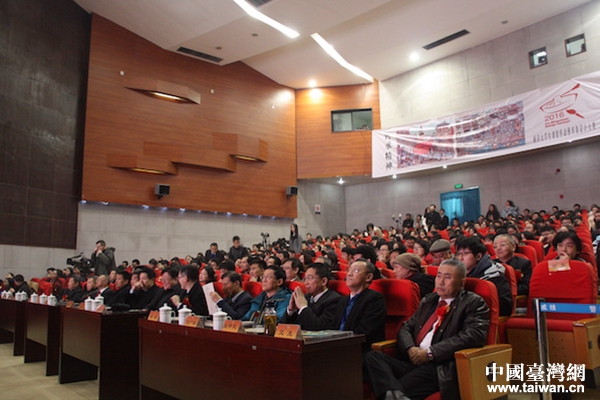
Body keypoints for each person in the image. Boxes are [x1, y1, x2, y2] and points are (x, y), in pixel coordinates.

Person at [365, 259, 490, 400]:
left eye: (447, 277)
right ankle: (395, 393)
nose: (441, 282)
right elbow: (406, 327)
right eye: (439, 276)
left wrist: (430, 353)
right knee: (373, 357)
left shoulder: (473, 303)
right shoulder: (429, 300)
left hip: (438, 366)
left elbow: (473, 336)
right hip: (413, 360)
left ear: (461, 283)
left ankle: (393, 392)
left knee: (390, 388)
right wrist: (410, 348)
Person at [332, 259, 386, 354]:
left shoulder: (375, 299)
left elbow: (365, 332)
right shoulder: (343, 301)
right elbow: (334, 327)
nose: (349, 274)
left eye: (356, 270)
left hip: (360, 350)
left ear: (368, 277)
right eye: (349, 270)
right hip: (338, 347)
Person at [455, 237, 512, 316]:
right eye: (459, 254)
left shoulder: (495, 276)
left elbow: (505, 307)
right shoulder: (458, 274)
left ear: (478, 256)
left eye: (465, 254)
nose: (460, 258)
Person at [283, 263, 342, 330]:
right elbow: (285, 327)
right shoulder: (306, 297)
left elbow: (320, 327)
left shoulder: (334, 300)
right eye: (305, 279)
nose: (306, 283)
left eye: (310, 278)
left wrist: (303, 308)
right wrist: (291, 311)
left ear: (323, 281)